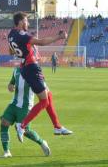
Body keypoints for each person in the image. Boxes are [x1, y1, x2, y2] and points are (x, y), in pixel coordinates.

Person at [8, 12, 73, 141]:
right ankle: (22, 125)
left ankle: (57, 126)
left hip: (27, 68)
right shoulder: (23, 36)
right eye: (26, 21)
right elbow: (42, 42)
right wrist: (59, 37)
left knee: (48, 95)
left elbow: (10, 51)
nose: (28, 23)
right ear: (20, 22)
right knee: (44, 101)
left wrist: (24, 50)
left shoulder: (11, 34)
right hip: (32, 68)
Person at [0, 67, 50, 158]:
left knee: (25, 131)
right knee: (4, 122)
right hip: (14, 104)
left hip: (26, 106)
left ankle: (42, 142)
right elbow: (11, 83)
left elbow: (43, 86)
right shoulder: (16, 70)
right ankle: (6, 151)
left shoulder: (34, 70)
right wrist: (10, 86)